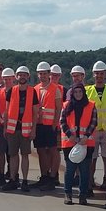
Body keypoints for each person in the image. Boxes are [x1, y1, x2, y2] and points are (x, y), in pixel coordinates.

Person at [2, 66, 39, 192]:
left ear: (28, 76)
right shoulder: (11, 91)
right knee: (13, 155)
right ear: (16, 77)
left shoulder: (32, 91)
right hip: (13, 129)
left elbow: (35, 113)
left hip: (26, 130)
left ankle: (24, 181)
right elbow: (6, 111)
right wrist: (5, 127)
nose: (22, 77)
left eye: (24, 75)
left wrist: (33, 129)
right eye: (20, 75)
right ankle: (13, 180)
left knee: (25, 155)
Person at [60, 83, 97, 205]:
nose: (78, 94)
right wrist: (70, 135)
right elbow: (62, 121)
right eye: (75, 92)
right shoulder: (66, 106)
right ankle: (68, 194)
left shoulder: (91, 106)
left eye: (80, 92)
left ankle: (83, 195)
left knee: (84, 171)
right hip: (70, 143)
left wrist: (86, 136)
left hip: (86, 143)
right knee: (70, 170)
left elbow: (93, 122)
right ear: (72, 94)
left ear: (83, 93)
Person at [32, 61, 62, 191]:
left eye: (45, 73)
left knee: (53, 150)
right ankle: (44, 176)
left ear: (49, 74)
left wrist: (55, 123)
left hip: (51, 125)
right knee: (41, 151)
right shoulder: (35, 89)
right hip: (39, 125)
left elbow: (59, 108)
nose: (42, 76)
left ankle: (52, 176)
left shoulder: (55, 89)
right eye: (40, 74)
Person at [86, 61, 106, 194]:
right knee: (92, 159)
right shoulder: (88, 91)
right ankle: (89, 184)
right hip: (93, 130)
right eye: (97, 73)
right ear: (93, 74)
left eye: (101, 73)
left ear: (105, 74)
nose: (99, 76)